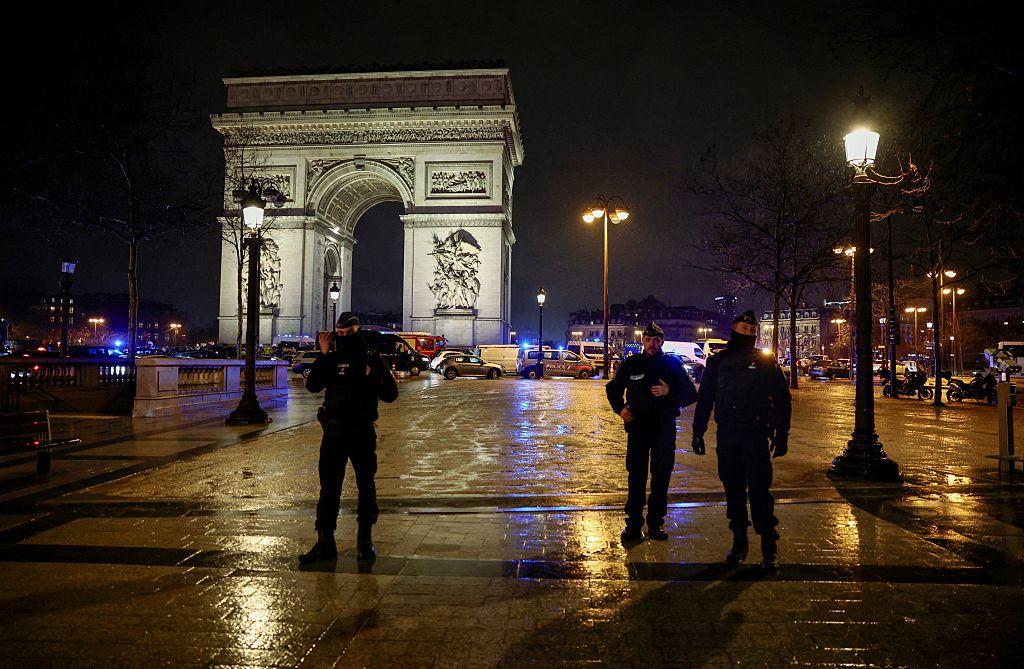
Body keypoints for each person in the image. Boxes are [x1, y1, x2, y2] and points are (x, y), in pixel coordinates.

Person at [691, 310, 791, 570]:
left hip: (756, 434)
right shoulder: (718, 362)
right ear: (734, 330)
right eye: (743, 329)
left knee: (759, 491)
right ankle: (739, 541)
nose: (747, 334)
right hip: (728, 434)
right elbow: (705, 400)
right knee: (733, 491)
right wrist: (697, 431)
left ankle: (769, 545)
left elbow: (782, 400)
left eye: (752, 331)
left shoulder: (765, 362)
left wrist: (782, 435)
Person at [299, 312, 398, 564]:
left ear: (358, 331)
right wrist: (322, 355)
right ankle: (324, 541)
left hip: (362, 431)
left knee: (366, 485)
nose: (343, 338)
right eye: (339, 334)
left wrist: (371, 375)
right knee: (328, 487)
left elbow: (390, 394)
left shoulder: (373, 359)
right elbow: (312, 386)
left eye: (348, 334)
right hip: (333, 431)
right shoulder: (330, 359)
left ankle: (365, 540)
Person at [606, 322, 698, 544]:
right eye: (648, 340)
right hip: (638, 427)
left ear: (662, 342)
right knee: (636, 475)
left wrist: (670, 391)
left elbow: (690, 394)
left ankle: (656, 522)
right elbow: (613, 388)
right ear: (642, 341)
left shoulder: (673, 365)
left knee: (661, 475)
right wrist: (620, 409)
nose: (652, 344)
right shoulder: (632, 363)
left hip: (664, 426)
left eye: (656, 340)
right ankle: (634, 524)